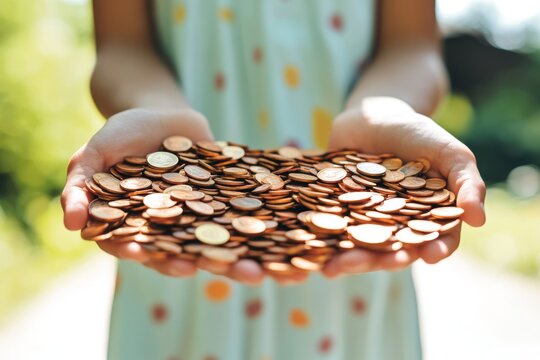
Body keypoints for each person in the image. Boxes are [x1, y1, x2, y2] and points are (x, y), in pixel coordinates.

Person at [61, 0, 486, 359]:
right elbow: (122, 46)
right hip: (173, 250)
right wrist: (150, 108)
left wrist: (390, 110)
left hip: (354, 247)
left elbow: (412, 46)